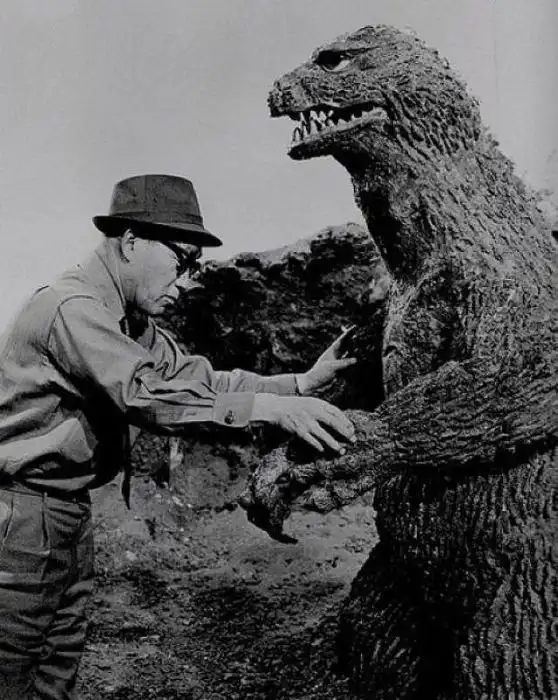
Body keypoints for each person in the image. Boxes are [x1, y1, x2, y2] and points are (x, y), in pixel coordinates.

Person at [0, 173, 356, 699]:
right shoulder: (71, 309)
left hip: (68, 511)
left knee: (56, 672)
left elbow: (198, 381)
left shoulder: (132, 323)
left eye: (194, 267)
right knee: (11, 671)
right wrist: (268, 409)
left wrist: (300, 383)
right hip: (23, 516)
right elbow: (145, 394)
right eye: (181, 261)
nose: (185, 281)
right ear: (131, 242)